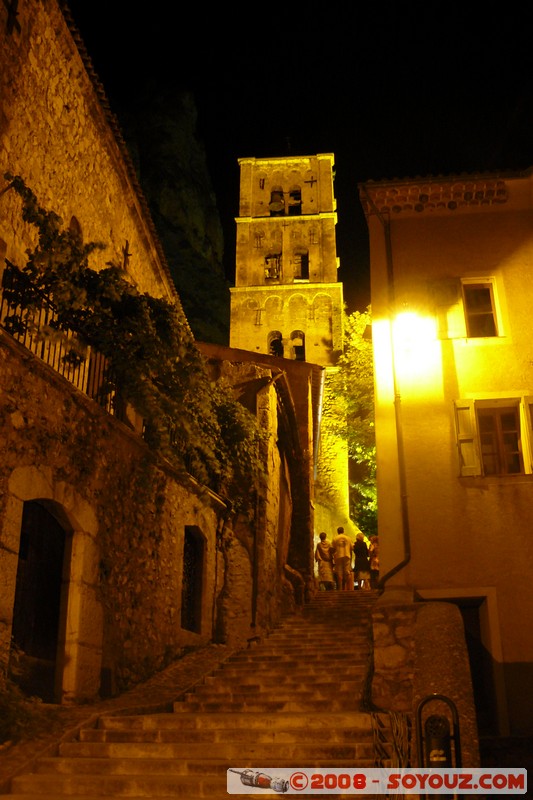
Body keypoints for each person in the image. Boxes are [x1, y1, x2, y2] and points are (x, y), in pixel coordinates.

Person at [331, 526, 354, 591]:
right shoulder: (348, 538)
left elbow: (332, 548)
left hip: (338, 556)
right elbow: (352, 548)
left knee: (339, 572)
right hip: (347, 555)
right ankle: (347, 587)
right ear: (343, 531)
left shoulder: (335, 538)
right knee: (347, 571)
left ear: (337, 531)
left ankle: (340, 587)